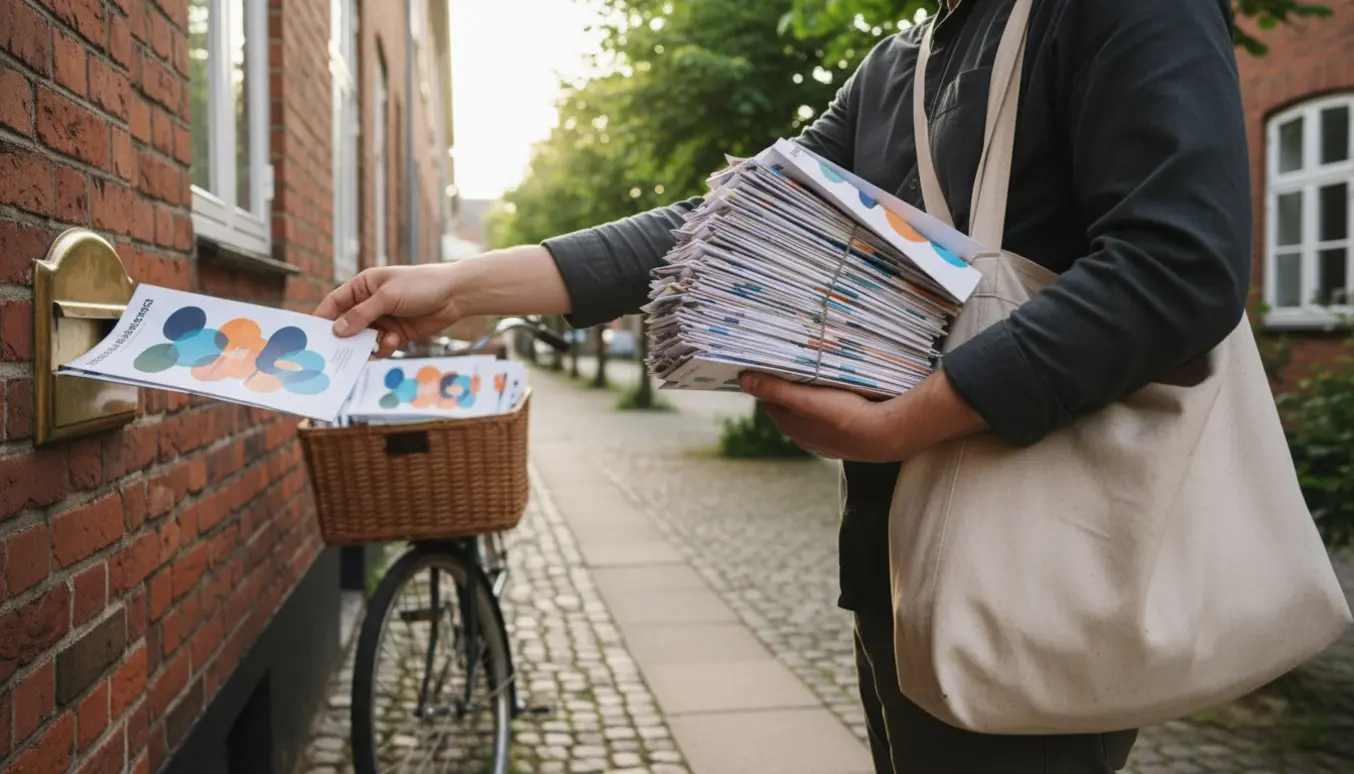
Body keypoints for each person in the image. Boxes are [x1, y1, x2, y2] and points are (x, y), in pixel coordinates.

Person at [316, 0, 1251, 769]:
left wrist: (901, 426)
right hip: (893, 556)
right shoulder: (902, 65)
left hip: (1037, 564)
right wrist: (458, 288)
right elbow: (720, 224)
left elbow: (1178, 267)